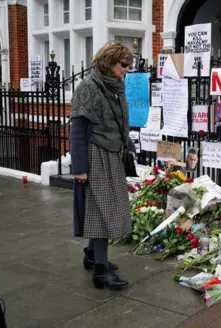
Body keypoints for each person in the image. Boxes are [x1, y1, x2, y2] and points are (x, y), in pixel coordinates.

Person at [70, 41, 135, 290]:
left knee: (105, 210)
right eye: (123, 65)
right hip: (96, 156)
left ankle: (92, 255)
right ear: (109, 62)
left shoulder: (115, 87)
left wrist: (127, 145)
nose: (126, 70)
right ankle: (100, 271)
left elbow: (119, 121)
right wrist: (80, 169)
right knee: (101, 213)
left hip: (112, 154)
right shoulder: (88, 88)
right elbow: (78, 131)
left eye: (129, 66)